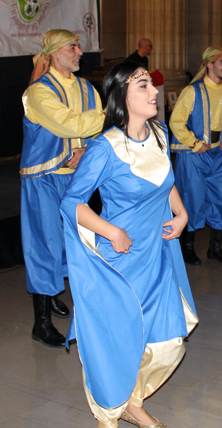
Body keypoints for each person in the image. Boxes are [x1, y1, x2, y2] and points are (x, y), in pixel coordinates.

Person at [60, 62, 198, 428]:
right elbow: (71, 203)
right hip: (120, 262)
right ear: (122, 95)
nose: (154, 91)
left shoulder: (160, 133)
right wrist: (110, 231)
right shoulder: (105, 148)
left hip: (157, 254)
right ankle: (117, 409)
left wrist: (180, 211)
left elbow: (162, 179)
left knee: (169, 343)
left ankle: (130, 399)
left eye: (150, 83)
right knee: (120, 343)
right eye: (142, 86)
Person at [20, 29, 104, 348]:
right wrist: (112, 111)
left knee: (80, 241)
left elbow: (93, 135)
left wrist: (86, 152)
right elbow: (70, 124)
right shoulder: (38, 93)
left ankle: (65, 298)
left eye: (79, 46)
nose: (80, 52)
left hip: (75, 178)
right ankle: (40, 322)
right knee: (45, 244)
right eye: (73, 47)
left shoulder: (86, 87)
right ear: (54, 53)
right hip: (43, 178)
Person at [170, 46, 222, 265]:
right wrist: (194, 143)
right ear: (209, 65)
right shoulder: (192, 91)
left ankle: (215, 249)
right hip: (193, 155)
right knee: (192, 200)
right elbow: (175, 121)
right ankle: (187, 248)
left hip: (218, 154)